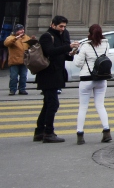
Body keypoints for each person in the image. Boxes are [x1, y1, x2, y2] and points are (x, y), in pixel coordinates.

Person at [35, 15, 80, 143]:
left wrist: (71, 53)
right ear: (53, 25)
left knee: (48, 104)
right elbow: (50, 51)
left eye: (64, 26)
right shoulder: (47, 36)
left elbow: (61, 54)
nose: (62, 29)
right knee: (53, 104)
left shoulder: (62, 35)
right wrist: (68, 47)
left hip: (56, 74)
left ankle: (39, 131)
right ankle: (48, 133)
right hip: (48, 75)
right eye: (60, 26)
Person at [73, 24, 112, 144]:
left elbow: (78, 64)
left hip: (86, 78)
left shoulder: (85, 46)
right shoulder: (106, 44)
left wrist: (75, 53)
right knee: (100, 105)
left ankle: (80, 135)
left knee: (83, 107)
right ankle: (106, 131)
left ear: (89, 33)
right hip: (101, 78)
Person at [3, 24, 33, 95]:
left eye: (23, 29)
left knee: (23, 76)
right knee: (14, 77)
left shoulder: (26, 37)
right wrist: (16, 38)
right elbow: (6, 43)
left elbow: (31, 46)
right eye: (20, 30)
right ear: (16, 31)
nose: (22, 31)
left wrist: (33, 41)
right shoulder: (11, 37)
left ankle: (22, 89)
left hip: (24, 61)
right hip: (14, 61)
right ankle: (12, 90)